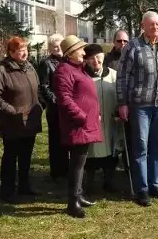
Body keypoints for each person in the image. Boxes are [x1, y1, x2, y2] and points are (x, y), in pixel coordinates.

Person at [116, 11, 158, 207]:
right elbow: (122, 76)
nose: (155, 28)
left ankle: (155, 184)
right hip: (140, 104)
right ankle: (141, 189)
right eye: (151, 25)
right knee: (141, 147)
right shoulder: (133, 46)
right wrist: (122, 102)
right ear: (143, 26)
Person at [53, 35, 103, 218]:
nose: (84, 52)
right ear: (71, 53)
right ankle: (72, 202)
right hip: (77, 124)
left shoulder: (79, 69)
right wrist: (82, 116)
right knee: (76, 164)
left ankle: (79, 194)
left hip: (86, 124)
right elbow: (64, 99)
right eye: (80, 49)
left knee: (80, 162)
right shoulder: (64, 71)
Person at [0, 37, 43, 202]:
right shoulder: (2, 71)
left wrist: (40, 106)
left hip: (31, 121)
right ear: (11, 52)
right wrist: (12, 111)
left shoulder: (30, 67)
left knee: (26, 155)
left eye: (26, 49)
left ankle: (24, 186)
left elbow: (38, 89)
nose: (24, 52)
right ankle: (7, 191)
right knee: (11, 157)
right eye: (20, 50)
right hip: (12, 123)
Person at [83, 44, 121, 194]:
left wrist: (119, 110)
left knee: (111, 154)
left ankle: (108, 182)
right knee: (91, 155)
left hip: (110, 121)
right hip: (92, 122)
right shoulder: (83, 76)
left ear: (103, 57)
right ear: (86, 60)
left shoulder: (113, 75)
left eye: (98, 57)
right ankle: (89, 183)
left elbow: (120, 95)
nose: (96, 61)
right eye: (92, 58)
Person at [37, 33, 67, 182]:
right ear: (50, 48)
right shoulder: (46, 63)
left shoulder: (67, 61)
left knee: (66, 138)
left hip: (67, 107)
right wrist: (55, 101)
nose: (58, 48)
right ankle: (56, 171)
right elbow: (44, 86)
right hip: (55, 108)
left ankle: (65, 168)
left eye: (60, 45)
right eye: (54, 46)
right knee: (55, 139)